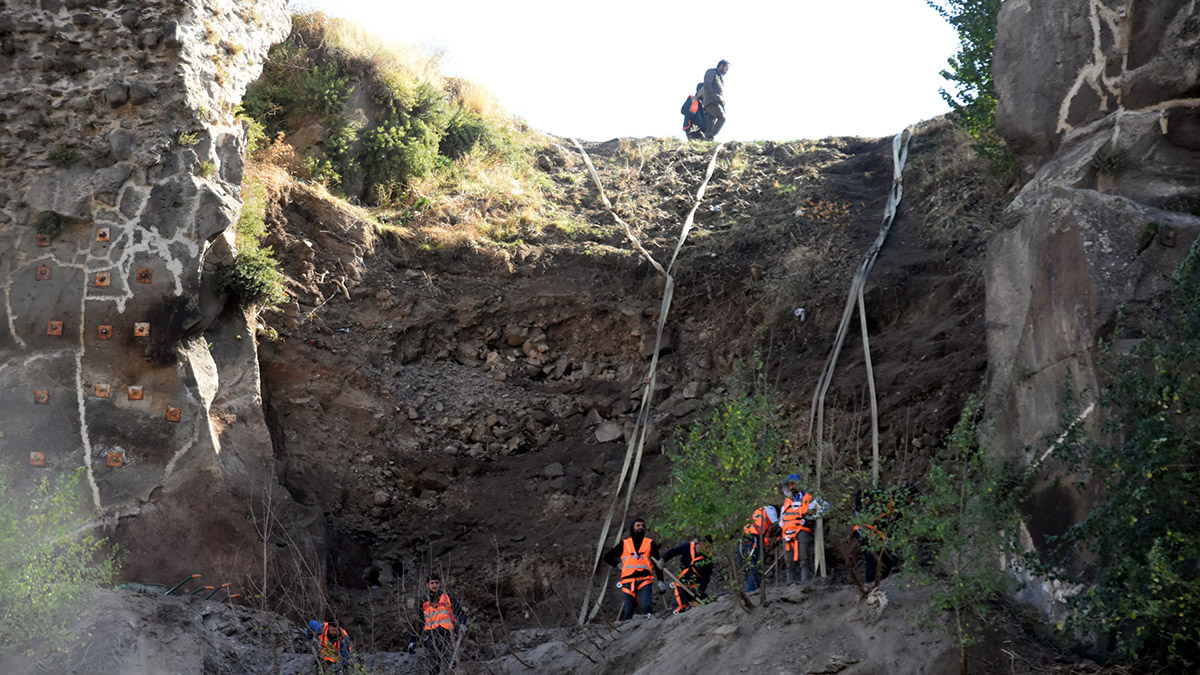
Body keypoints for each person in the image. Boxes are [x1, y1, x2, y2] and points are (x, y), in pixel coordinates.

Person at [601, 517, 665, 619]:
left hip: (645, 580)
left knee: (646, 605)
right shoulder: (625, 543)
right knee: (629, 610)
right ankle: (629, 630)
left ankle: (650, 625)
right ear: (633, 528)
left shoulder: (649, 543)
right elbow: (607, 557)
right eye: (638, 525)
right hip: (628, 581)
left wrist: (660, 580)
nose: (641, 527)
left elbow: (657, 563)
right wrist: (618, 565)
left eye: (643, 526)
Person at [852, 484, 917, 584]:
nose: (911, 502)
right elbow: (861, 492)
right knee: (872, 557)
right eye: (911, 498)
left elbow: (892, 531)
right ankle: (869, 585)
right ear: (906, 494)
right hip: (864, 530)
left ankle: (877, 585)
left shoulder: (898, 512)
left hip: (878, 537)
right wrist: (858, 514)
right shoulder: (884, 494)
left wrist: (889, 546)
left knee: (889, 560)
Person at [407, 572, 468, 674]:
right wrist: (413, 641)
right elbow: (419, 623)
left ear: (439, 584)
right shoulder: (424, 602)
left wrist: (462, 624)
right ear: (427, 585)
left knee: (452, 665)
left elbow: (461, 613)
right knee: (433, 668)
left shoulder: (448, 597)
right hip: (431, 638)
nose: (434, 585)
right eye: (432, 583)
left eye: (436, 582)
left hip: (448, 636)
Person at [779, 475, 829, 584]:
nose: (791, 487)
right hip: (787, 533)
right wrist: (781, 528)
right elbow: (782, 518)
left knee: (804, 559)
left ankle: (804, 584)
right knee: (788, 562)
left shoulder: (810, 498)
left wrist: (812, 517)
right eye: (790, 485)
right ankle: (789, 585)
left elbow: (826, 508)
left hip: (802, 530)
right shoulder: (787, 501)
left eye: (793, 484)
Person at [661, 536, 713, 613]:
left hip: (695, 589)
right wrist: (663, 559)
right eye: (707, 547)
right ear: (700, 544)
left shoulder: (708, 559)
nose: (709, 549)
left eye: (710, 547)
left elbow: (706, 578)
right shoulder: (687, 547)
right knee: (677, 610)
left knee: (702, 610)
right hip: (681, 586)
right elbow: (673, 552)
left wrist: (700, 592)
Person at [737, 504, 779, 592]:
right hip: (753, 538)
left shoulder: (757, 513)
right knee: (753, 566)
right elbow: (776, 525)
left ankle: (751, 587)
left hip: (744, 537)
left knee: (746, 565)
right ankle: (752, 589)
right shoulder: (770, 509)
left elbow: (765, 537)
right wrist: (777, 530)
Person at [698, 59, 730, 139]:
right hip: (712, 101)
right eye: (726, 68)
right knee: (722, 118)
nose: (726, 71)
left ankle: (707, 140)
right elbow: (707, 84)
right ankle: (710, 136)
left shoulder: (719, 77)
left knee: (710, 124)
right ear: (721, 66)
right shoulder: (712, 72)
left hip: (714, 101)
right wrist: (713, 97)